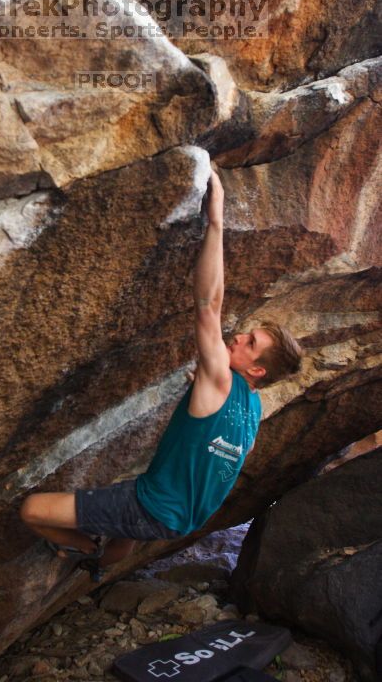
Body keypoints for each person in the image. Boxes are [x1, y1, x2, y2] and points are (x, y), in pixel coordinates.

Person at [20, 169, 303, 575]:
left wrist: (216, 219)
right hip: (183, 517)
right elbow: (241, 450)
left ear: (255, 369)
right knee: (131, 529)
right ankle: (108, 555)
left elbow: (208, 304)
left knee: (33, 510)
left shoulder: (221, 378)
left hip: (151, 506)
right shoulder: (252, 407)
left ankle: (83, 553)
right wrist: (203, 407)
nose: (238, 337)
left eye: (250, 343)